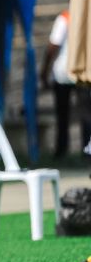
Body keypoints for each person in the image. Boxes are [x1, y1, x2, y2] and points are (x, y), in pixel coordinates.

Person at [41, 10, 91, 157]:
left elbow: (53, 46)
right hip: (80, 73)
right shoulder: (81, 17)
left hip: (64, 73)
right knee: (85, 115)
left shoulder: (65, 18)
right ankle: (85, 152)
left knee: (64, 115)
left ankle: (62, 151)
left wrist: (44, 71)